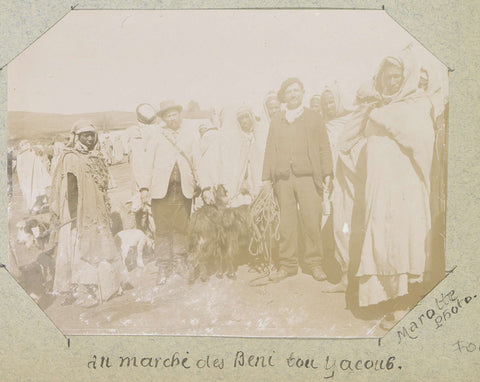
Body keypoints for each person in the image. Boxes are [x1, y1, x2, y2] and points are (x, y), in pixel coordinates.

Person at [353, 50, 436, 329]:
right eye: (386, 77)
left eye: (396, 77)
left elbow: (423, 144)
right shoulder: (378, 107)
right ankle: (387, 298)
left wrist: (380, 115)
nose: (391, 83)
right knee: (380, 238)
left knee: (402, 239)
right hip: (380, 189)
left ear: (408, 78)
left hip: (405, 188)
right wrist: (372, 111)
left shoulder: (416, 104)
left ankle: (403, 302)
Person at [50, 120, 127, 307]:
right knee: (81, 247)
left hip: (97, 208)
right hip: (79, 212)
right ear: (77, 137)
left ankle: (107, 287)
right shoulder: (71, 157)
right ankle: (84, 290)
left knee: (101, 245)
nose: (90, 138)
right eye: (85, 135)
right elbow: (70, 188)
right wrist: (76, 215)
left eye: (92, 134)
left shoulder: (97, 156)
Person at [262, 77, 333, 282]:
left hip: (308, 178)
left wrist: (327, 172)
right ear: (283, 97)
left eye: (296, 90)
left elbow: (324, 146)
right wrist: (267, 178)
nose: (292, 94)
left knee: (311, 220)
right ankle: (288, 264)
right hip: (283, 179)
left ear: (303, 92)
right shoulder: (277, 120)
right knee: (287, 224)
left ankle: (315, 263)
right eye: (288, 92)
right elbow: (269, 149)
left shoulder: (313, 117)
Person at [139, 100, 200, 285]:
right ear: (163, 118)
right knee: (163, 228)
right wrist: (144, 187)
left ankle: (180, 260)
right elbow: (147, 162)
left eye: (175, 114)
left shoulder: (190, 135)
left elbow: (197, 161)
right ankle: (164, 265)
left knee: (181, 226)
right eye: (168, 115)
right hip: (161, 190)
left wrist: (204, 186)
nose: (172, 118)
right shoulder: (156, 135)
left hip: (183, 190)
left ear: (179, 115)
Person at [319, 84, 353, 292]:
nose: (328, 106)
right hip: (333, 183)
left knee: (349, 227)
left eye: (332, 101)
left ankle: (355, 278)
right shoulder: (324, 125)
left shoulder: (351, 122)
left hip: (350, 181)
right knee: (338, 228)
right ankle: (345, 276)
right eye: (325, 103)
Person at [15, 140, 51, 213]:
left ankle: (32, 207)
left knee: (30, 193)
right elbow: (41, 168)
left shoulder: (21, 157)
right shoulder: (31, 156)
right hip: (32, 179)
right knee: (34, 192)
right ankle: (34, 208)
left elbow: (19, 170)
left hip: (28, 179)